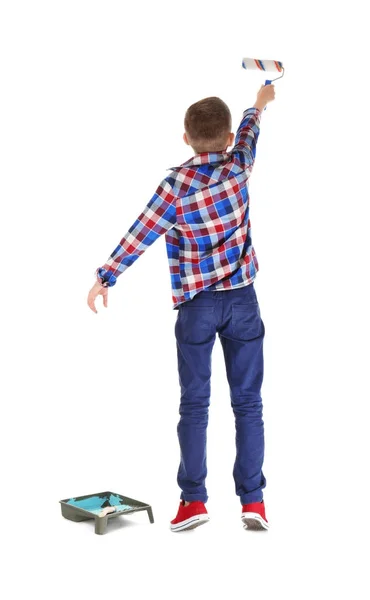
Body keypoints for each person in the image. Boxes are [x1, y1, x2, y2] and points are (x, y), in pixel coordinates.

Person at [87, 83, 276, 532]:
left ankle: (193, 502)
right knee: (248, 405)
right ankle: (254, 503)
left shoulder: (175, 186)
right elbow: (250, 131)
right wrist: (259, 103)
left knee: (194, 405)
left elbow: (141, 233)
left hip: (196, 307)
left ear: (186, 138)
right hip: (243, 302)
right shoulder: (239, 167)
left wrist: (105, 276)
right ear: (228, 139)